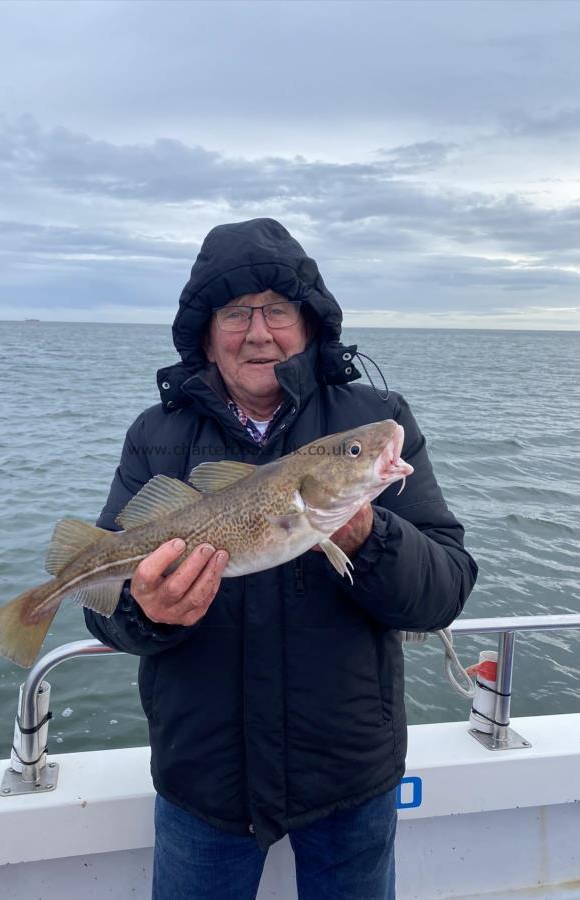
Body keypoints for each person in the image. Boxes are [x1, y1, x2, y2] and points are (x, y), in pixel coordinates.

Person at [85, 218, 478, 900]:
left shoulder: (374, 419)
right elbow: (107, 610)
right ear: (205, 333)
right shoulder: (156, 435)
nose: (258, 332)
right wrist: (146, 613)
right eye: (235, 312)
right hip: (202, 779)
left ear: (309, 323)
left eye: (277, 309)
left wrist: (362, 531)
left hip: (350, 774)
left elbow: (444, 589)